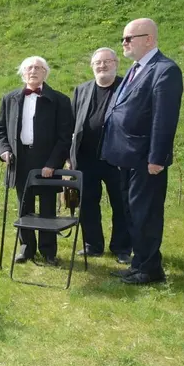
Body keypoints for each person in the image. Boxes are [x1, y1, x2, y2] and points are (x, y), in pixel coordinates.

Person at [101, 18, 183, 285]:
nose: (124, 43)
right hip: (125, 156)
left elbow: (164, 118)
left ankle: (149, 269)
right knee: (131, 211)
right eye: (123, 39)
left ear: (149, 39)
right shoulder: (137, 69)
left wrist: (157, 158)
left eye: (129, 38)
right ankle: (140, 264)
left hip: (146, 159)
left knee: (145, 213)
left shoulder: (164, 70)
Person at [0, 56, 73, 266]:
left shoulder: (60, 100)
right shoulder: (9, 98)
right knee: (24, 206)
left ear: (45, 73)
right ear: (22, 73)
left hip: (47, 161)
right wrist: (4, 151)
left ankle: (48, 252)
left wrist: (52, 164)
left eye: (38, 68)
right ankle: (26, 248)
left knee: (47, 207)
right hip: (20, 160)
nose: (33, 71)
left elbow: (65, 137)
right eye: (29, 68)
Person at [69, 47, 132, 264]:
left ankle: (122, 247)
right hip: (86, 158)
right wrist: (70, 158)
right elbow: (72, 124)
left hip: (117, 158)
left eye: (107, 62)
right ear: (92, 66)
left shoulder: (127, 87)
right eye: (98, 63)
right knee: (87, 203)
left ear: (116, 63)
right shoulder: (81, 90)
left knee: (122, 204)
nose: (102, 66)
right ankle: (92, 245)